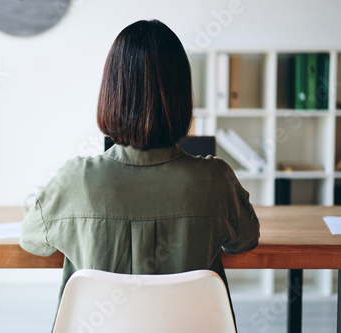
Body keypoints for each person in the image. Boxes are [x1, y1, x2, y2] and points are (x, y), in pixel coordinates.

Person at [20, 19, 259, 330]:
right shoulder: (216, 180)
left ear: (111, 93)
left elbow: (33, 240)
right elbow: (245, 239)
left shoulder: (76, 180)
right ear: (181, 96)